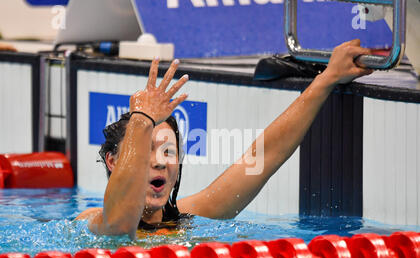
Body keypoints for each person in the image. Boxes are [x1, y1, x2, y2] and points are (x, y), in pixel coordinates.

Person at [76, 39, 373, 240]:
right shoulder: (92, 223)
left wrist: (326, 79)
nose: (158, 161)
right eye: (145, 150)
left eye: (168, 151)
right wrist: (141, 119)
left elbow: (264, 156)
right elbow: (119, 225)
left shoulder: (187, 222)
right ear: (113, 161)